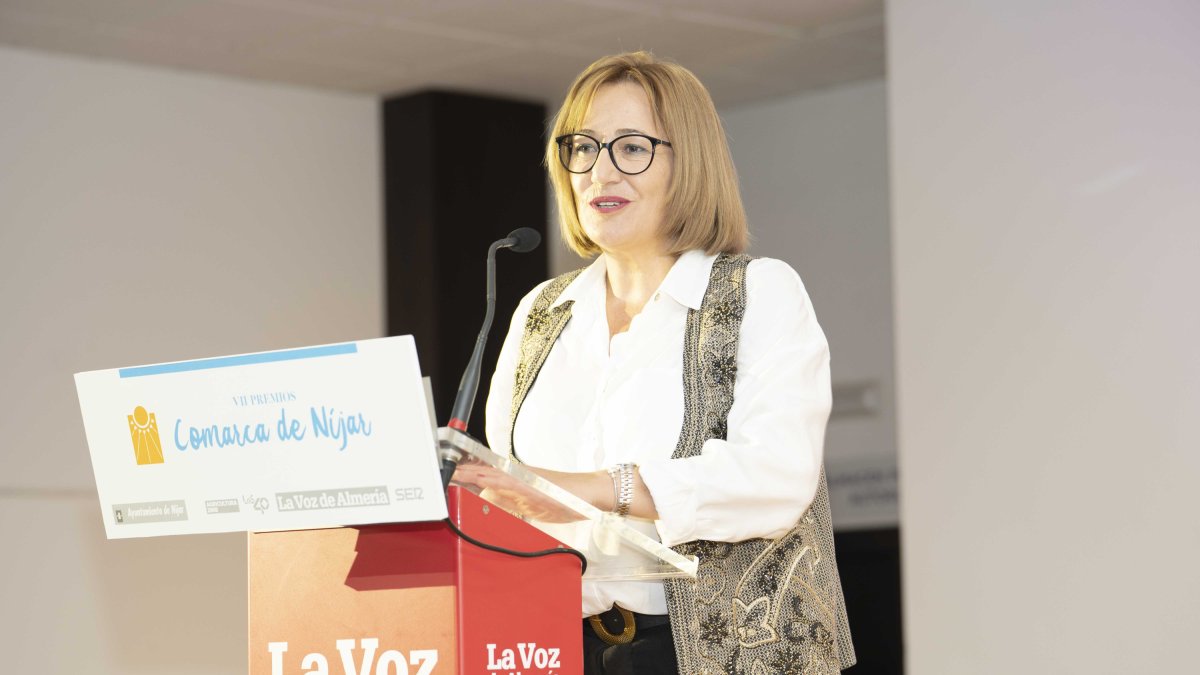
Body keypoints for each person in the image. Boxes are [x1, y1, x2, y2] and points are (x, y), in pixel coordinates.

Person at [454, 51, 855, 675]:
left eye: (631, 148)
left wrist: (595, 491)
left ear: (687, 162)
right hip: (554, 643)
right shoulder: (541, 312)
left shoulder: (759, 293)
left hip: (719, 654)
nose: (599, 172)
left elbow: (775, 475)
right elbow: (513, 491)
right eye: (582, 147)